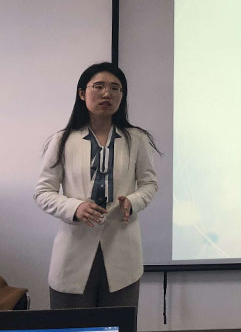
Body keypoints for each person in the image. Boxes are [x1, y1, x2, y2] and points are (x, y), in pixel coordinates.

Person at [34, 62, 158, 309]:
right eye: (98, 86)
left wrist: (132, 202)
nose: (107, 94)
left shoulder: (137, 139)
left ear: (122, 96)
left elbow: (149, 184)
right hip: (74, 252)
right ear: (82, 93)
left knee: (118, 326)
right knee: (70, 327)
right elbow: (43, 192)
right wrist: (75, 208)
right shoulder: (62, 140)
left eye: (115, 88)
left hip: (122, 252)